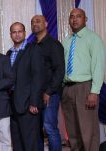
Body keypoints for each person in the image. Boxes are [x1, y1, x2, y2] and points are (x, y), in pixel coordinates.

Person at [62, 8, 105, 151]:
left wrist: (94, 91)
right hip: (67, 89)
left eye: (78, 16)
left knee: (88, 131)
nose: (74, 19)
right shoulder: (66, 41)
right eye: (72, 17)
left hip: (85, 88)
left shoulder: (94, 39)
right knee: (73, 133)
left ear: (85, 19)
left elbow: (98, 66)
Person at [6, 22, 44, 151]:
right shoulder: (8, 53)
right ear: (10, 34)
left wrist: (34, 102)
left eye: (20, 31)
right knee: (17, 143)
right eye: (14, 32)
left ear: (25, 33)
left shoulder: (33, 49)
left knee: (29, 143)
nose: (17, 34)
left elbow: (38, 78)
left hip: (28, 105)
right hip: (12, 106)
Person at [31, 15, 65, 151]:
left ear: (46, 23)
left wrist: (49, 92)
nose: (35, 24)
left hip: (50, 94)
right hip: (35, 95)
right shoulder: (32, 46)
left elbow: (59, 70)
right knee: (37, 129)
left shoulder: (53, 44)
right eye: (32, 22)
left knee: (50, 127)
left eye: (38, 21)